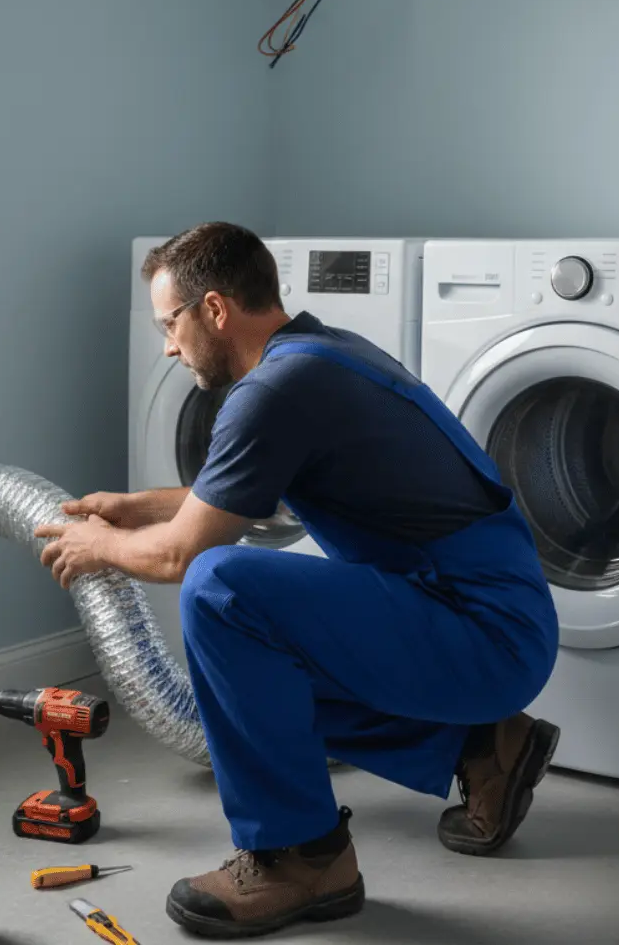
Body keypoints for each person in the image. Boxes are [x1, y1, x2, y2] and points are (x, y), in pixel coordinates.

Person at [34, 222, 560, 939]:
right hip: (480, 616)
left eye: (169, 324)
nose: (166, 344)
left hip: (482, 631)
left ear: (213, 310)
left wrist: (100, 546)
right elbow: (253, 499)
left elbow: (181, 557)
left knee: (223, 589)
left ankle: (300, 855)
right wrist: (132, 510)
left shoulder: (276, 390)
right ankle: (480, 746)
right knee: (263, 668)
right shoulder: (318, 356)